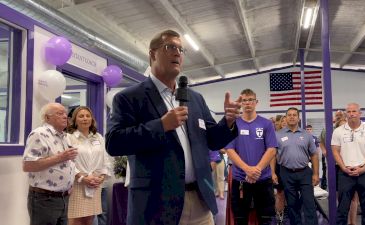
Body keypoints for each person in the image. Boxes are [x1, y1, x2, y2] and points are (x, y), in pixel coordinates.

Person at [105, 29, 241, 225]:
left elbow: (212, 140)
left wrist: (227, 122)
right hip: (156, 206)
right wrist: (160, 125)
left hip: (200, 202)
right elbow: (113, 142)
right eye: (170, 47)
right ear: (152, 54)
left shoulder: (195, 98)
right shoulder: (129, 98)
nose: (177, 53)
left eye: (180, 49)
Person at [225, 88, 277, 225]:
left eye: (250, 100)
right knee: (240, 219)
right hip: (241, 181)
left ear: (256, 102)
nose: (247, 103)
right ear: (241, 103)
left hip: (263, 180)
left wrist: (256, 170)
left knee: (267, 219)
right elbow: (229, 150)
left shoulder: (267, 124)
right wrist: (247, 169)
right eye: (244, 100)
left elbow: (272, 149)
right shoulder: (234, 124)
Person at [22, 103, 78, 225]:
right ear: (47, 118)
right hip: (44, 199)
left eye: (65, 113)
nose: (65, 116)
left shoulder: (65, 136)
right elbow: (28, 165)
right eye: (60, 113)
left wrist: (70, 182)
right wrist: (60, 157)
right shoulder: (39, 134)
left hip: (63, 197)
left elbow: (68, 164)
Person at [332, 103, 365, 225]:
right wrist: (343, 168)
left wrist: (364, 167)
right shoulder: (338, 131)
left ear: (360, 113)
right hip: (345, 172)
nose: (351, 114)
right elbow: (335, 151)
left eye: (354, 111)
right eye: (349, 111)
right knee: (342, 208)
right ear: (346, 114)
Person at [67, 106, 111, 225]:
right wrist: (82, 177)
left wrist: (102, 177)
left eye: (88, 116)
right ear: (75, 120)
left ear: (92, 119)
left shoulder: (98, 137)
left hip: (95, 184)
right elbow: (67, 162)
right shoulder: (69, 137)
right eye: (81, 116)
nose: (85, 119)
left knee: (89, 220)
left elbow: (105, 159)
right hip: (77, 184)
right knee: (76, 220)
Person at [275, 107, 319, 225]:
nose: (292, 117)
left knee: (309, 202)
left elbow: (314, 155)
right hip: (286, 172)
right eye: (289, 115)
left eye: (294, 115)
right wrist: (273, 173)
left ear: (298, 118)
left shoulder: (307, 135)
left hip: (304, 172)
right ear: (286, 117)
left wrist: (316, 173)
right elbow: (272, 155)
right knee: (292, 203)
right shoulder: (277, 135)